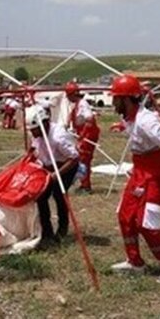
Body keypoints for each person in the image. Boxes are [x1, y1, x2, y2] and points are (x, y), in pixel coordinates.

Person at [109, 74, 160, 284]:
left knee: (147, 223)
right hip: (139, 172)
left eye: (116, 99)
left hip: (154, 176)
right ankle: (135, 262)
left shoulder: (146, 121)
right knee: (126, 216)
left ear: (126, 99)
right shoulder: (129, 118)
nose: (113, 103)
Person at [26, 105, 79, 248]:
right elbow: (34, 148)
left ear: (43, 124)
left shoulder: (58, 137)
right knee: (41, 196)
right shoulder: (37, 134)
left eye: (34, 129)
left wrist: (56, 175)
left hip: (65, 167)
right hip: (48, 166)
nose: (32, 132)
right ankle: (47, 232)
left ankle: (62, 229)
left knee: (59, 194)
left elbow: (73, 158)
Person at [65, 82, 100, 193]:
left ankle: (86, 186)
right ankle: (83, 183)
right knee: (81, 158)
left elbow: (89, 119)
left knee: (84, 159)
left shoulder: (83, 104)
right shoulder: (76, 105)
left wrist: (83, 136)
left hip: (88, 134)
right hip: (82, 134)